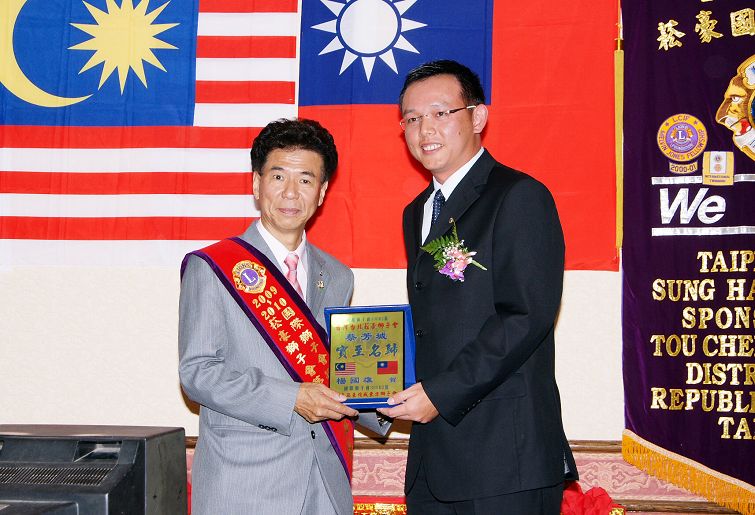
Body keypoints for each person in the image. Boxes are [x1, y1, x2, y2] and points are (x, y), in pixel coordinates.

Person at [378, 60, 578, 514]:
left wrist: (440, 393)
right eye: (412, 118)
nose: (425, 129)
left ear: (478, 117)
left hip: (505, 458)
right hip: (434, 457)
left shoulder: (518, 195)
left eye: (440, 113)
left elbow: (525, 316)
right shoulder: (417, 212)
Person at [179, 118, 388, 515]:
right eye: (278, 177)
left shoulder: (338, 275)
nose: (291, 192)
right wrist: (292, 398)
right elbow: (198, 373)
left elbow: (335, 370)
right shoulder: (214, 266)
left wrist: (385, 400)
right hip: (244, 482)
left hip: (324, 480)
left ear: (322, 192)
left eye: (306, 180)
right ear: (257, 184)